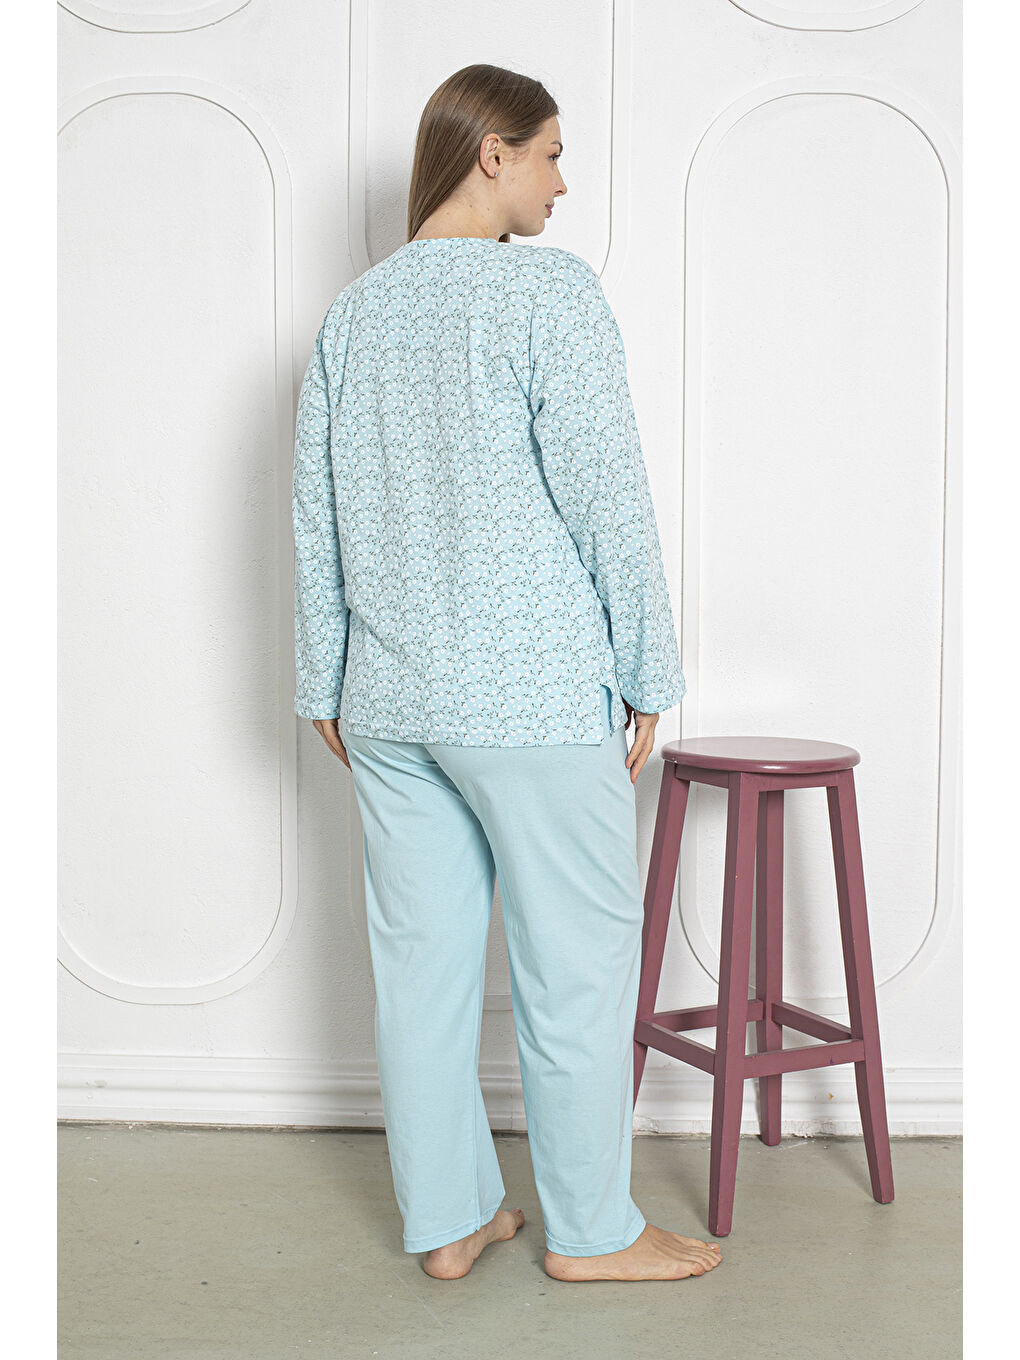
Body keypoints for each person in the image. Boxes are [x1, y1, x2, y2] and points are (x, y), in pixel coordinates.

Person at [292, 63, 723, 1284]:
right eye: (550, 154)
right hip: (528, 697)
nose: (561, 182)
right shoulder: (548, 296)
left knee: (420, 972)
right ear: (493, 153)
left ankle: (449, 1222)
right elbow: (608, 497)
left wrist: (322, 682)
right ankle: (593, 1232)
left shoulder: (353, 314)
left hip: (389, 704)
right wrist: (649, 668)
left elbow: (316, 519)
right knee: (574, 963)